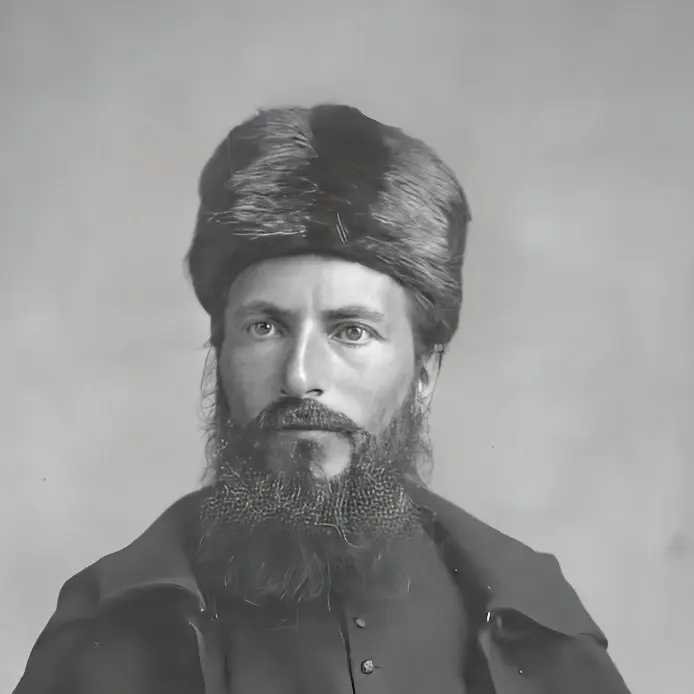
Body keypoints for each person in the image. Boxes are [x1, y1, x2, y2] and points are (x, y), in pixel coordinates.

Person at [14, 104, 631, 694]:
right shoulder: (110, 626)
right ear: (220, 353)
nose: (300, 376)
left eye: (351, 332)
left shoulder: (530, 625)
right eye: (265, 327)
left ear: (423, 372)